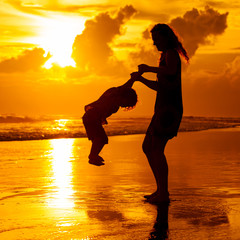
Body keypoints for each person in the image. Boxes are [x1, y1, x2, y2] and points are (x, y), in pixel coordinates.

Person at [131, 23, 189, 203]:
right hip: (164, 107)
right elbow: (160, 86)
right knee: (148, 147)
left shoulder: (171, 54)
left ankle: (163, 193)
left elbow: (171, 71)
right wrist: (141, 79)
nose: (154, 43)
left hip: (169, 110)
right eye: (153, 40)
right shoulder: (165, 56)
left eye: (156, 39)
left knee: (154, 147)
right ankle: (161, 190)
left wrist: (148, 69)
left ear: (166, 37)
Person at [82, 79, 137, 166]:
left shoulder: (116, 102)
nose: (125, 106)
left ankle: (94, 156)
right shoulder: (113, 94)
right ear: (124, 96)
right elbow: (126, 86)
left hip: (91, 117)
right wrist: (134, 78)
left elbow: (126, 88)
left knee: (99, 139)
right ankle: (93, 156)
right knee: (101, 139)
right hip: (92, 116)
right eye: (127, 103)